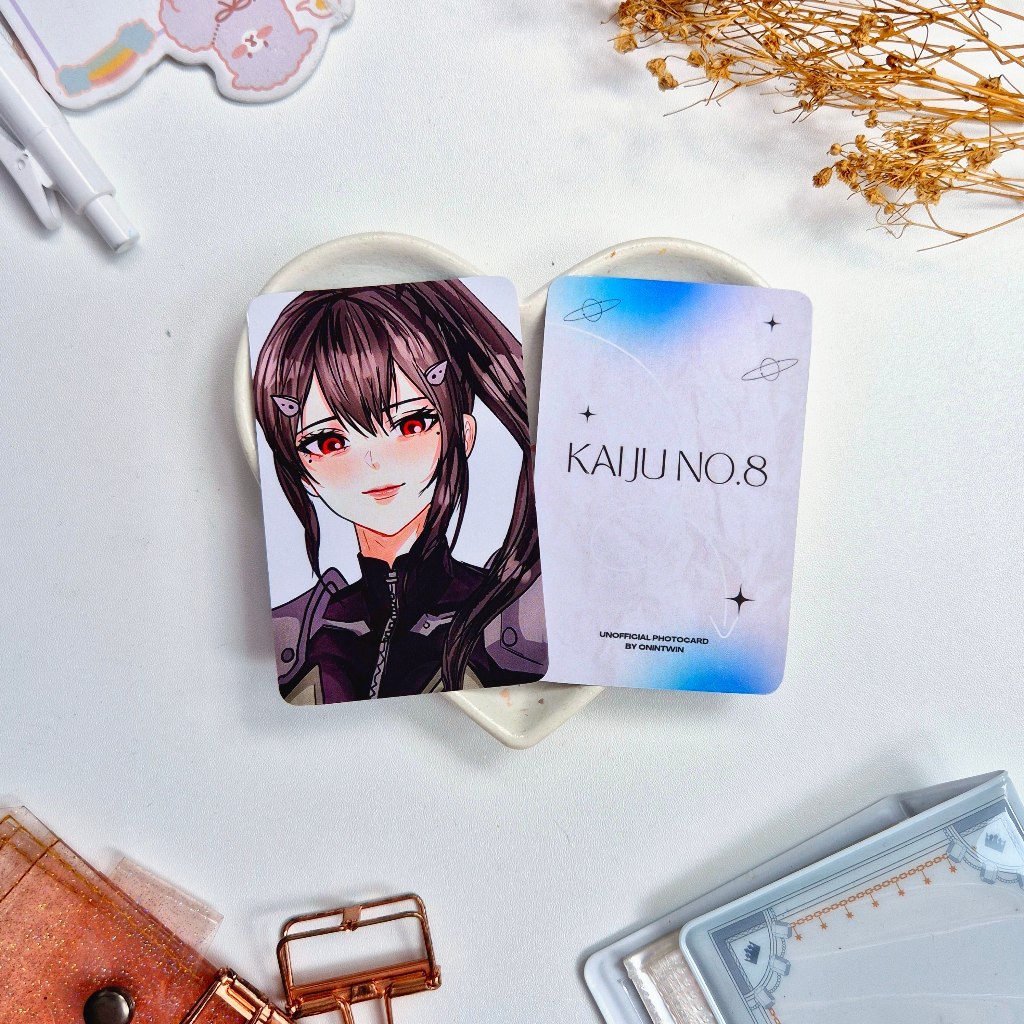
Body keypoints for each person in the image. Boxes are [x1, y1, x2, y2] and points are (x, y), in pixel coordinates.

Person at [253, 280, 547, 703]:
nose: (374, 461)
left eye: (410, 425)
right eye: (329, 442)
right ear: (300, 471)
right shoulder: (296, 634)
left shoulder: (512, 622)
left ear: (463, 434)